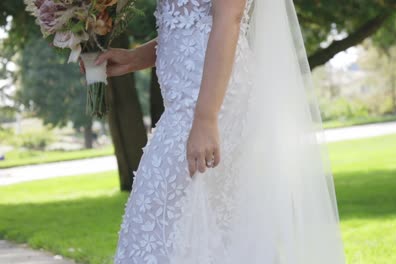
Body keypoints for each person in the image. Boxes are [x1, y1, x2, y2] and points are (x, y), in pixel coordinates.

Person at [81, 0, 346, 263]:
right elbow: (187, 24)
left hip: (211, 105)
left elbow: (229, 20)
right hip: (185, 104)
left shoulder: (203, 116)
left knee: (157, 218)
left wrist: (205, 118)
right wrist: (133, 58)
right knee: (199, 228)